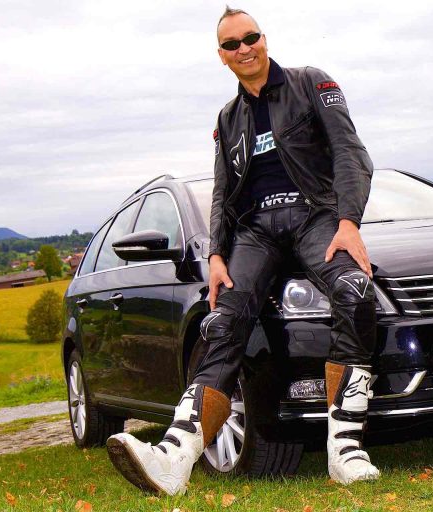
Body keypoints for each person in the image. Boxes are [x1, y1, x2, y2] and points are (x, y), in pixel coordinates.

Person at [106, 6, 378, 495]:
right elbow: (221, 194)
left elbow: (350, 153)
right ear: (221, 57)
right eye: (232, 44)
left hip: (315, 217)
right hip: (255, 231)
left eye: (250, 37)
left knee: (356, 292)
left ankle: (346, 451)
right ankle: (173, 458)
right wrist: (215, 255)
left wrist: (349, 222)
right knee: (221, 323)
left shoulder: (311, 83)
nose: (244, 48)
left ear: (265, 39)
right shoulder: (227, 120)